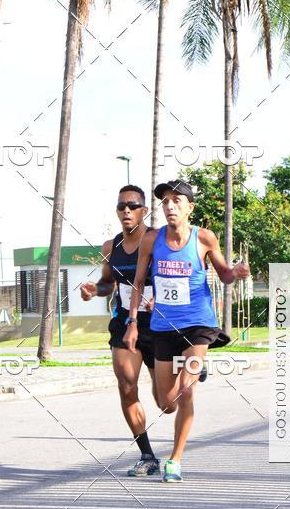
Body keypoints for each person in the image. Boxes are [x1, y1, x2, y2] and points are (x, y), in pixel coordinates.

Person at [124, 179, 250, 483]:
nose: (170, 206)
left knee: (186, 390)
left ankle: (175, 460)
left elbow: (224, 275)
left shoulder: (204, 238)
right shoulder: (151, 240)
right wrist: (132, 323)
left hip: (198, 324)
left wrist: (236, 272)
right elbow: (138, 283)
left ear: (189, 207)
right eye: (165, 201)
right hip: (163, 326)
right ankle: (189, 369)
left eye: (177, 201)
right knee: (166, 403)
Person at [80, 185, 160, 476]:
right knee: (126, 385)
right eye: (121, 206)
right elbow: (108, 283)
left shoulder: (158, 241)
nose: (126, 210)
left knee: (166, 402)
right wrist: (94, 290)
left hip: (160, 323)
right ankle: (147, 455)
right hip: (126, 323)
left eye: (133, 205)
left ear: (144, 211)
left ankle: (189, 365)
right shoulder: (110, 247)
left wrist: (160, 299)